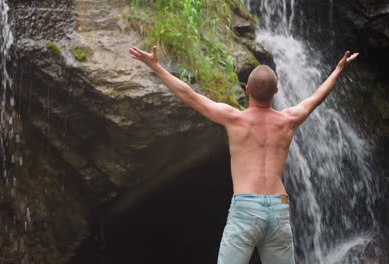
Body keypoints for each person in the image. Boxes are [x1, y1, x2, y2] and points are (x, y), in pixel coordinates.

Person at [129, 46, 358, 264]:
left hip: (246, 209)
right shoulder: (289, 120)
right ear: (276, 92)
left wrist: (157, 67)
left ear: (247, 89)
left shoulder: (234, 119)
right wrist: (338, 70)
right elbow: (316, 98)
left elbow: (189, 95)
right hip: (279, 207)